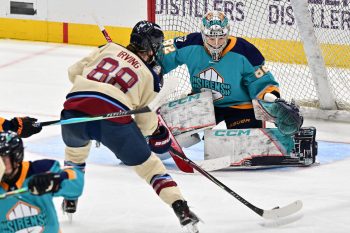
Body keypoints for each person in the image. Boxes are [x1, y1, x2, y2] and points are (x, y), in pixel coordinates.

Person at [60, 20, 200, 231]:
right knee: (150, 167)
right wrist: (157, 133)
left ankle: (70, 199)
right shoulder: (150, 76)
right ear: (153, 47)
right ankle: (180, 207)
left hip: (74, 110)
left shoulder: (107, 48)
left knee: (74, 154)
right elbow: (145, 124)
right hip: (113, 119)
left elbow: (73, 73)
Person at [159, 11, 302, 135]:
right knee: (167, 129)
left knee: (245, 146)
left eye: (221, 37)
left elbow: (260, 82)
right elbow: (162, 56)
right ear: (202, 34)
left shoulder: (245, 51)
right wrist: (148, 69)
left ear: (227, 33)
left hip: (240, 107)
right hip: (202, 102)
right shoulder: (190, 44)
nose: (216, 43)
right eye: (211, 37)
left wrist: (272, 99)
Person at [0, 131, 84, 233]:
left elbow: (77, 185)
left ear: (16, 156)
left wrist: (56, 181)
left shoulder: (40, 170)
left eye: (3, 157)